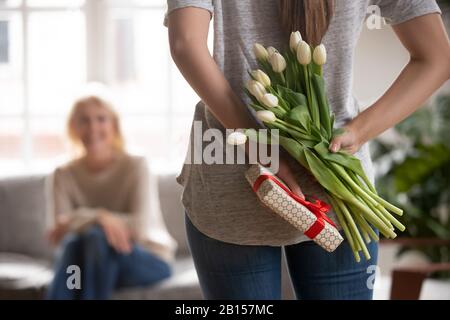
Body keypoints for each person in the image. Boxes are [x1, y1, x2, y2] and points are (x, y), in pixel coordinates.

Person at [166, 0, 450, 299]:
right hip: (340, 184)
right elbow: (438, 57)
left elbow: (186, 43)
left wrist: (263, 149)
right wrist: (357, 132)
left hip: (234, 171)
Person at [46, 90, 177, 299]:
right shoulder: (63, 174)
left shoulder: (136, 165)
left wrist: (89, 219)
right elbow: (59, 233)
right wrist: (100, 217)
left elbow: (139, 228)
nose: (93, 128)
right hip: (89, 261)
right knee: (74, 244)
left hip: (147, 260)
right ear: (74, 127)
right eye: (84, 120)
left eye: (101, 119)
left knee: (95, 237)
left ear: (114, 125)